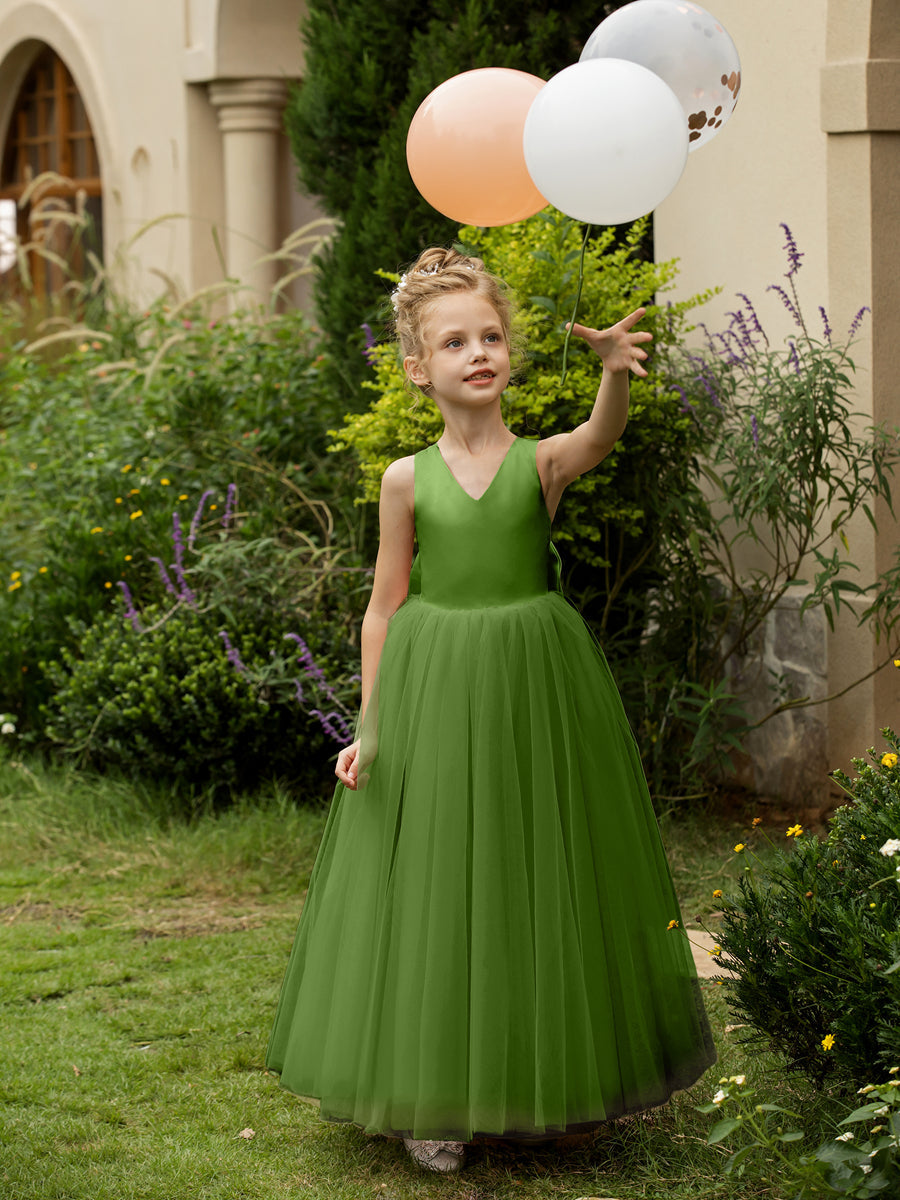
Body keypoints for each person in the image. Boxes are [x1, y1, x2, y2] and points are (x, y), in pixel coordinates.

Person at [266, 247, 716, 1174]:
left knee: (532, 867)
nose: (479, 352)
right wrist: (371, 727)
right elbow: (384, 605)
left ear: (509, 352)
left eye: (492, 336)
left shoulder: (539, 462)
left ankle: (543, 1081)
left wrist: (611, 376)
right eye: (455, 341)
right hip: (434, 683)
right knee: (438, 878)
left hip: (532, 682)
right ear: (416, 367)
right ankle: (434, 1091)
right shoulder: (405, 479)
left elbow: (600, 439)